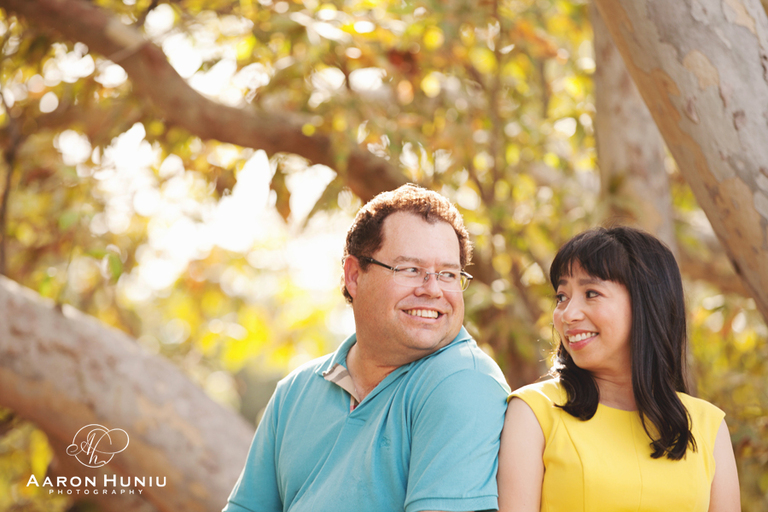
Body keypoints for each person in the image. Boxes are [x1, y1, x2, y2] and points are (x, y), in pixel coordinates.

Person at [224, 184, 511, 512]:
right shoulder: (295, 391)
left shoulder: (464, 381)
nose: (433, 290)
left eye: (448, 274)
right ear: (354, 276)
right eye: (410, 270)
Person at [497, 226, 741, 512]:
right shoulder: (534, 412)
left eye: (591, 293)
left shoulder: (707, 426)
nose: (568, 314)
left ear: (645, 303)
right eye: (562, 296)